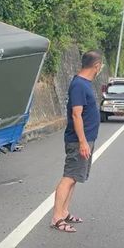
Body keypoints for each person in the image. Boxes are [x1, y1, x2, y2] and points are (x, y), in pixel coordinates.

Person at [51, 51, 103, 233]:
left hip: (86, 139)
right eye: (101, 65)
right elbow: (76, 114)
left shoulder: (84, 83)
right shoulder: (80, 85)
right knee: (69, 177)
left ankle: (64, 212)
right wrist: (82, 142)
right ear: (97, 66)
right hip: (78, 140)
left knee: (75, 178)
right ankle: (57, 217)